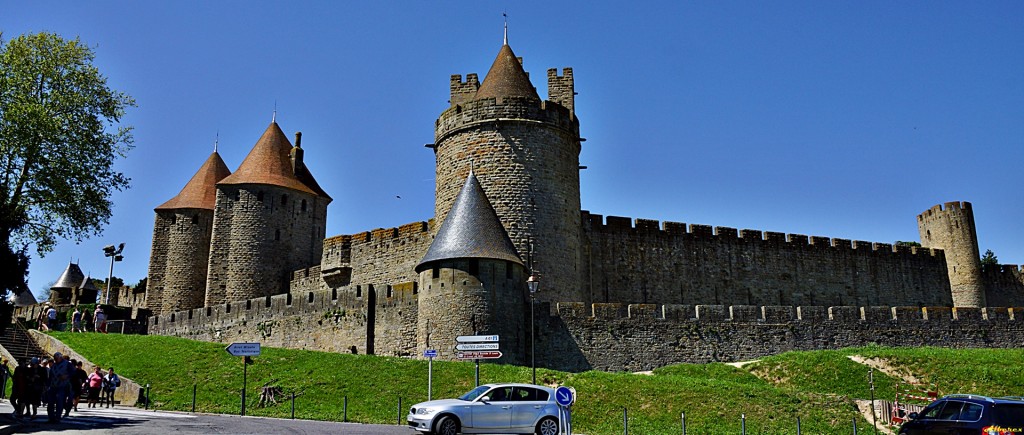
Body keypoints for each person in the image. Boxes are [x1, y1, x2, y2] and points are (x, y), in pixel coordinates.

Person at [46, 352, 73, 423]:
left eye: (56, 359)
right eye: (55, 359)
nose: (55, 360)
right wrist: (47, 385)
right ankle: (51, 417)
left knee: (59, 401)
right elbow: (50, 376)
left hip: (62, 386)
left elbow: (73, 372)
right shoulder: (54, 365)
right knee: (50, 402)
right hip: (53, 386)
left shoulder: (67, 364)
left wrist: (66, 376)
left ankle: (58, 417)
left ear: (60, 358)